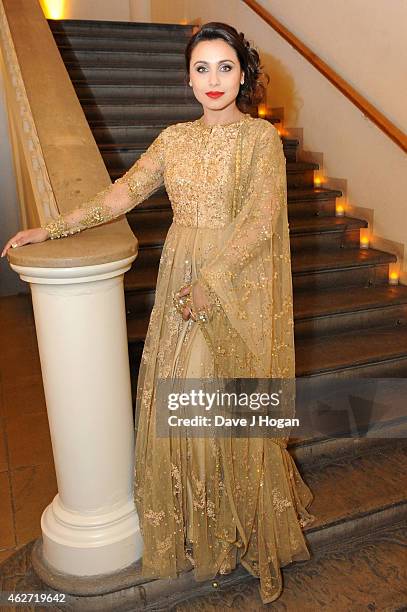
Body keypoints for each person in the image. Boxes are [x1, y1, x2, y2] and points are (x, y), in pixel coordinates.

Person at [1, 22, 315, 605]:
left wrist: (212, 283)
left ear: (243, 74)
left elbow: (260, 220)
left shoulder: (260, 140)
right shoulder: (174, 139)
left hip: (234, 284)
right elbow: (122, 193)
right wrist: (53, 228)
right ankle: (209, 525)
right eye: (202, 68)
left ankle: (243, 526)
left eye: (225, 67)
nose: (214, 80)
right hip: (181, 277)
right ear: (187, 77)